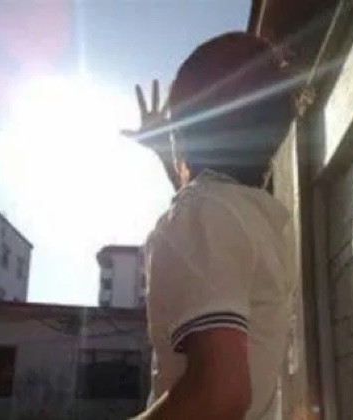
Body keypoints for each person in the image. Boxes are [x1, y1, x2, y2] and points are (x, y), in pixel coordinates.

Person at [128, 32, 295, 420]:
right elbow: (203, 206)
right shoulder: (252, 217)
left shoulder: (202, 213)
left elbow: (218, 396)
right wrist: (166, 152)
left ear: (187, 129)